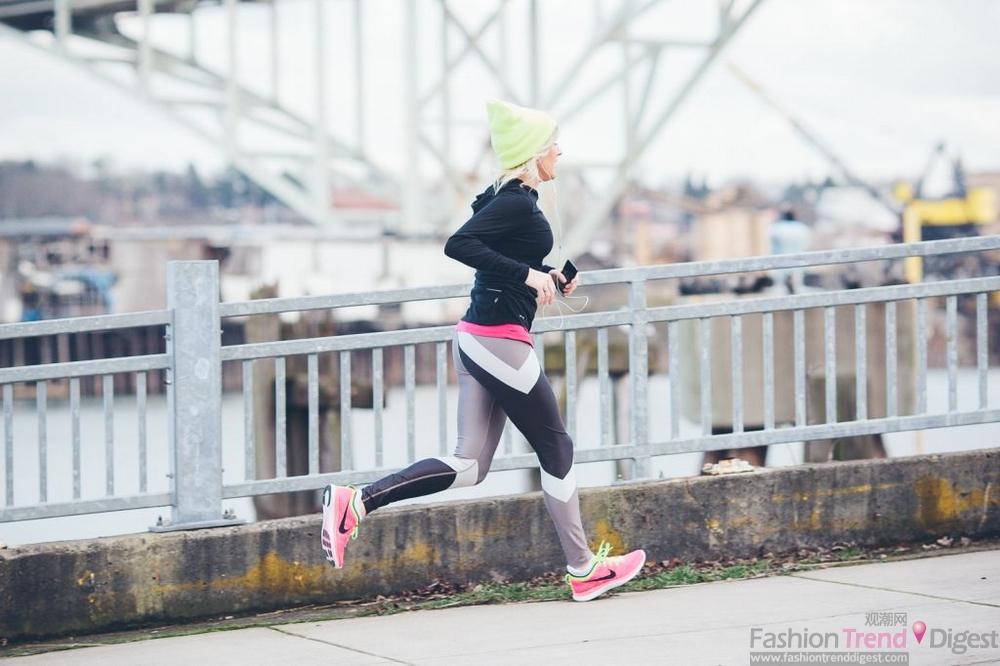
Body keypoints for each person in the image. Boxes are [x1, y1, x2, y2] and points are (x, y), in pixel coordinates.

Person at [320, 98, 646, 602]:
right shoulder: (515, 199)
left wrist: (550, 280)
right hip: (498, 340)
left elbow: (501, 263)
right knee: (556, 446)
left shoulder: (515, 199)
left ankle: (356, 502)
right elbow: (459, 245)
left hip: (479, 337)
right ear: (534, 153)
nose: (559, 151)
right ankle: (584, 569)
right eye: (552, 144)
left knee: (470, 467)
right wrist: (527, 273)